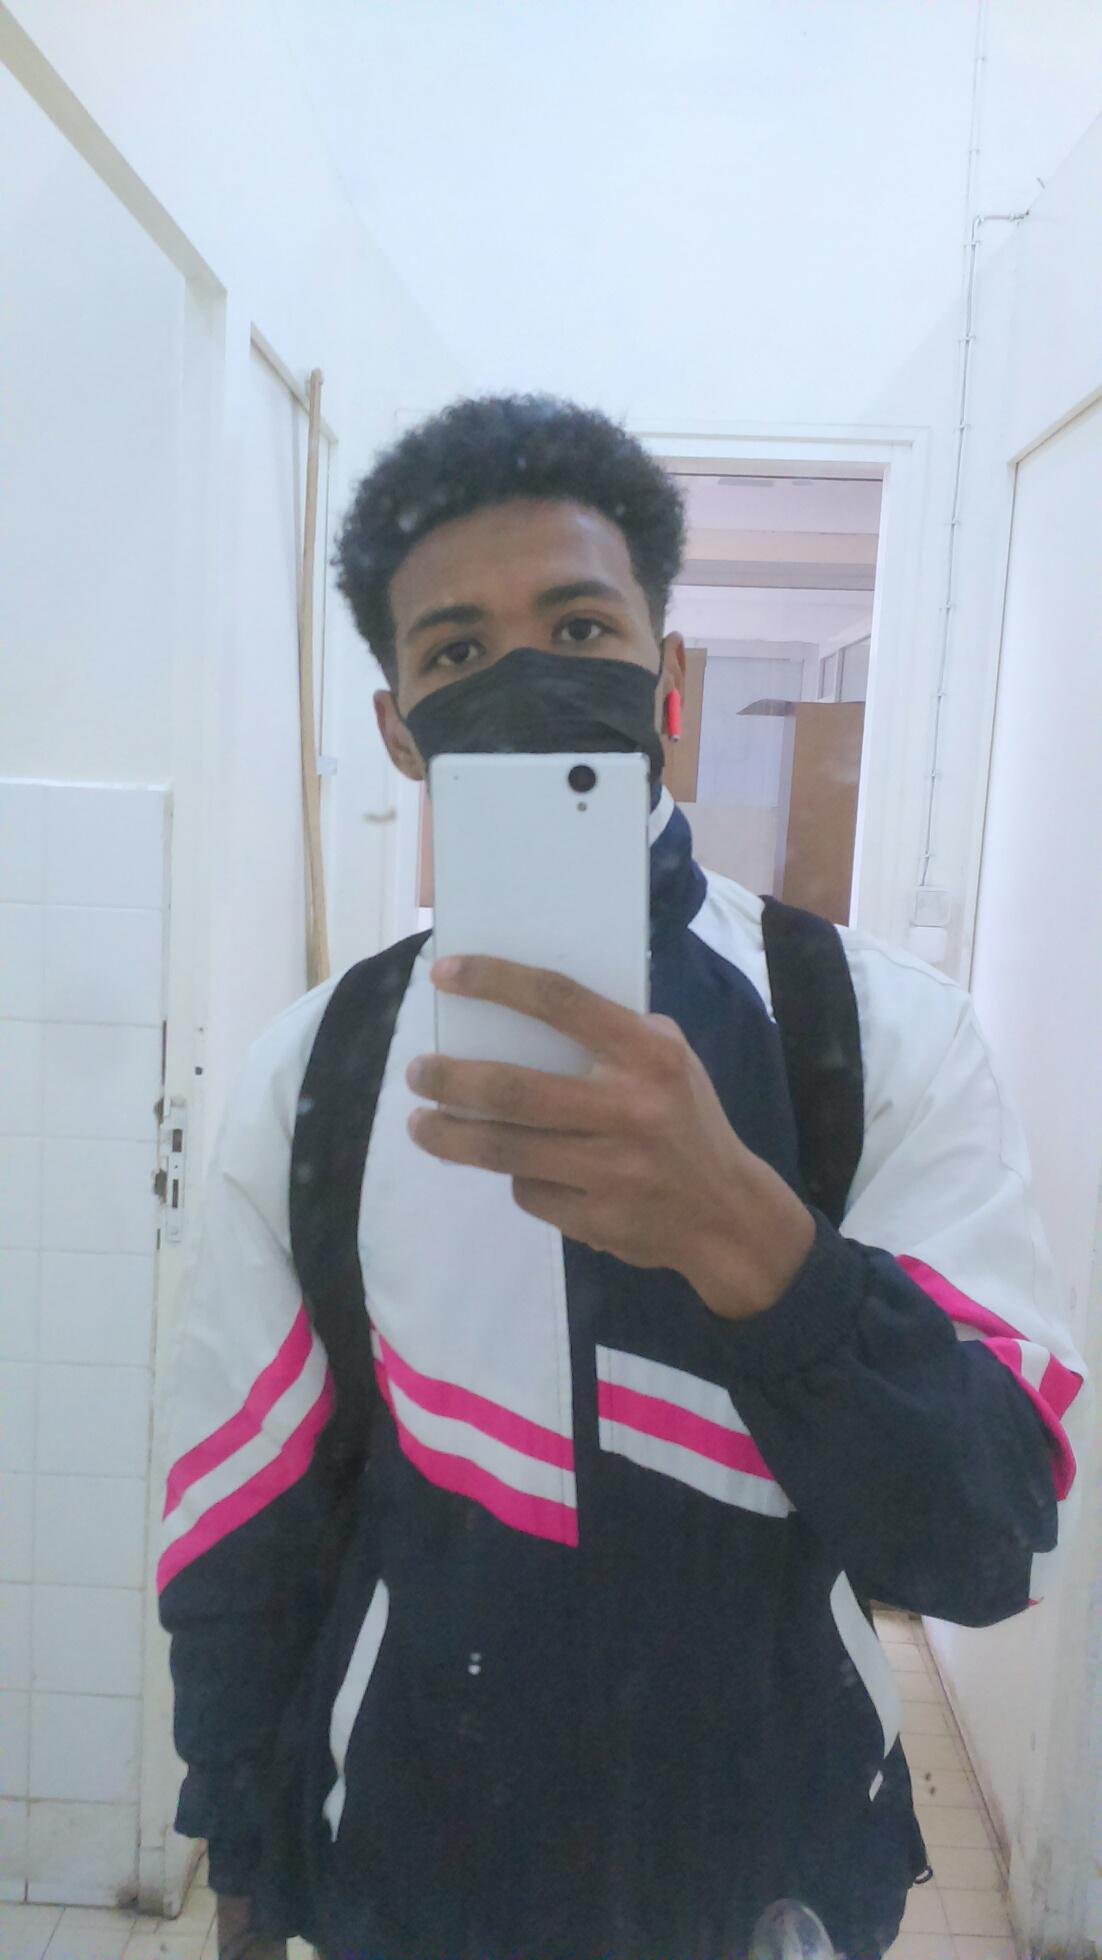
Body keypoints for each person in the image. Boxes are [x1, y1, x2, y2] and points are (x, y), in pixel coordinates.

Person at [158, 394, 1086, 1960]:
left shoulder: (868, 1032)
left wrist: (758, 1247)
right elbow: (248, 1516)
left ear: (664, 680)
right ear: (399, 729)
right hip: (405, 1868)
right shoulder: (318, 1068)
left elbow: (982, 1544)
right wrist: (242, 1862)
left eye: (578, 626)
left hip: (770, 1874)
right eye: (457, 648)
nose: (525, 677)